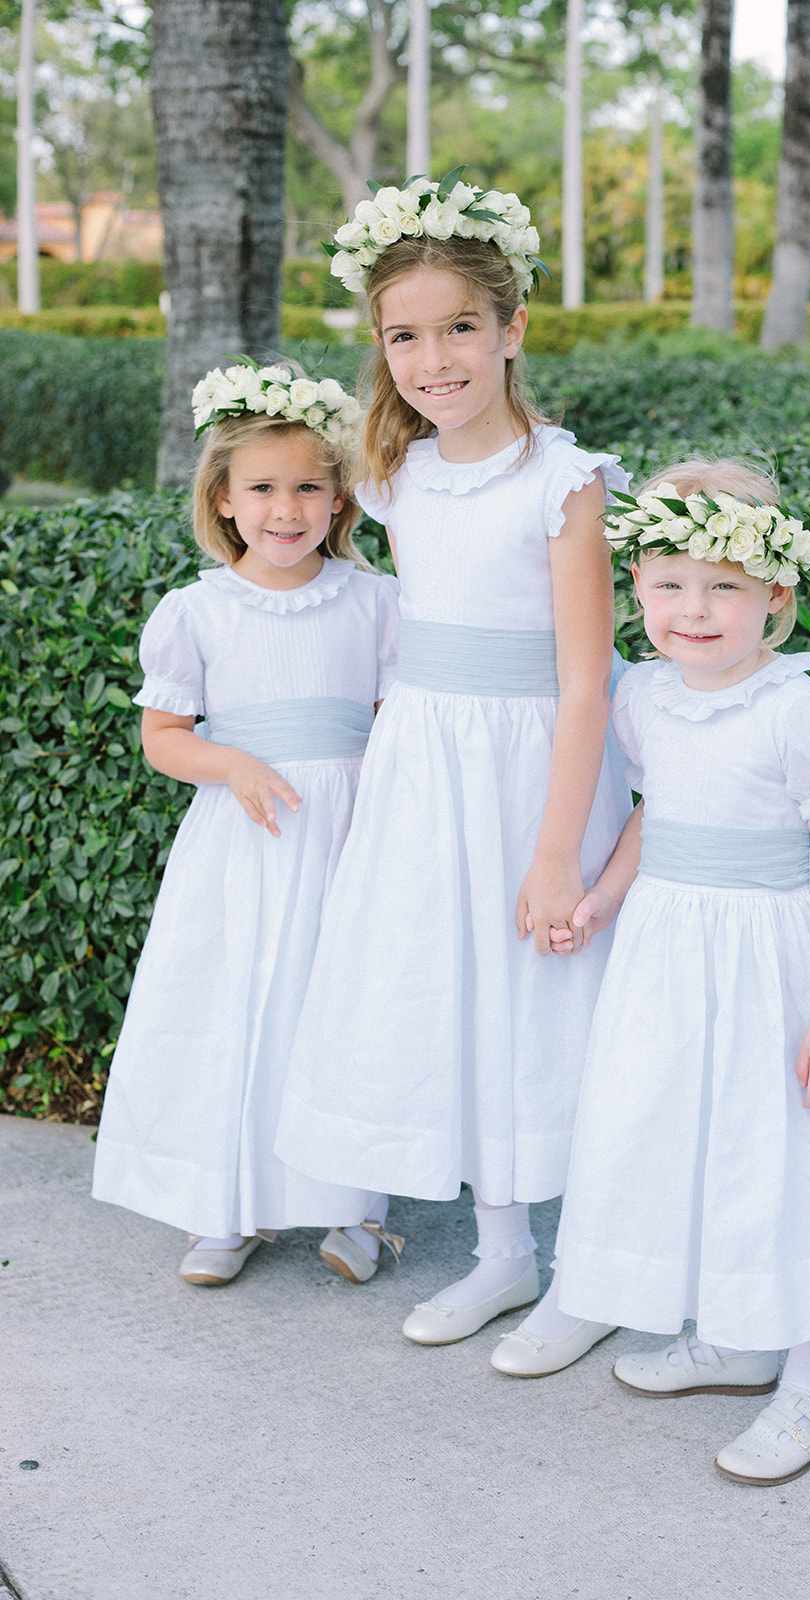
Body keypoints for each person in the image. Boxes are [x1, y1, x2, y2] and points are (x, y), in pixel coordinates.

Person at [515, 458, 810, 1483]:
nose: (693, 610)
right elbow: (655, 816)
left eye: (723, 587)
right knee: (701, 1148)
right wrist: (598, 898)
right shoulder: (645, 698)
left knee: (801, 1166)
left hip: (781, 970)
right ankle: (734, 1337)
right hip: (671, 964)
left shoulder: (805, 714)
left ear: (774, 594)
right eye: (670, 584)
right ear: (636, 586)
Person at [275, 173, 632, 1352]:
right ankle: (502, 1252)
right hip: (426, 768)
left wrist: (554, 853)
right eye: (405, 336)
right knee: (458, 994)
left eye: (461, 327)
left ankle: (592, 1271)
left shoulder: (562, 484)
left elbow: (585, 681)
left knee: (546, 1002)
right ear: (380, 347)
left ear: (512, 327)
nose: (435, 359)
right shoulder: (395, 477)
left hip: (535, 774)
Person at [92, 362, 404, 1289]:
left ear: (339, 496)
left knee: (343, 1010)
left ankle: (356, 1206)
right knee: (235, 1012)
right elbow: (163, 738)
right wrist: (232, 765)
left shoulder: (375, 602)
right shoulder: (196, 612)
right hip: (244, 841)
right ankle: (226, 1205)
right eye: (262, 488)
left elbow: (396, 723)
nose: (285, 508)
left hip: (348, 834)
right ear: (223, 498)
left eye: (308, 486)